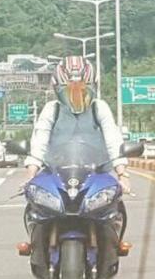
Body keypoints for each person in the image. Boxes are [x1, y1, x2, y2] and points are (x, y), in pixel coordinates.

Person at [24, 55, 130, 193]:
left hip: (97, 174)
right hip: (55, 174)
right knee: (35, 201)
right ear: (58, 90)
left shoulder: (99, 108)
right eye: (70, 92)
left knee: (113, 201)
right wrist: (30, 176)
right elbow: (39, 144)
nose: (77, 97)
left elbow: (113, 141)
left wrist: (122, 175)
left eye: (83, 91)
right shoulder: (52, 110)